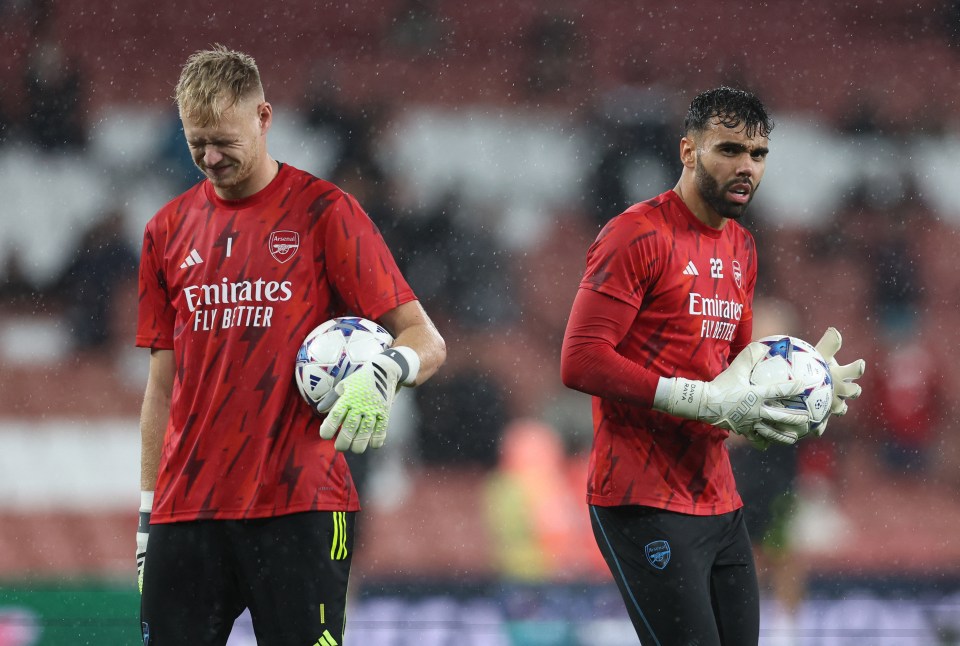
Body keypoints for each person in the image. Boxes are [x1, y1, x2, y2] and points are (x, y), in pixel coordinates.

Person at [135, 45, 446, 645]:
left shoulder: (325, 213)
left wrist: (386, 370)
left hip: (299, 506)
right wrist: (148, 516)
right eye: (196, 141)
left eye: (224, 139)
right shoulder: (164, 232)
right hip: (186, 512)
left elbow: (425, 339)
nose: (210, 156)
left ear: (264, 118)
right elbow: (160, 386)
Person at [560, 86, 865, 644]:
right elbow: (580, 360)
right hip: (641, 498)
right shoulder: (636, 234)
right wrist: (694, 399)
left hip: (721, 500)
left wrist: (804, 386)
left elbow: (738, 372)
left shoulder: (743, 247)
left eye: (758, 154)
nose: (746, 167)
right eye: (729, 150)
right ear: (688, 151)